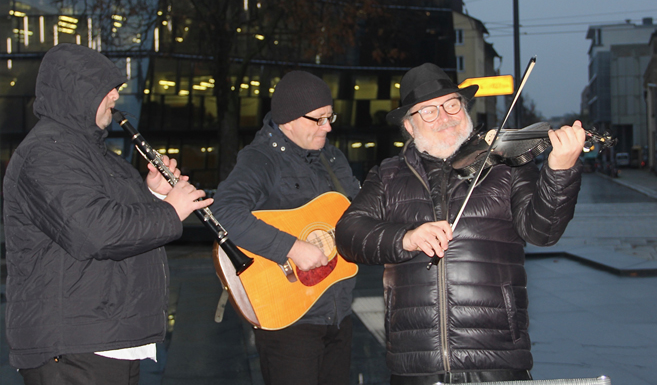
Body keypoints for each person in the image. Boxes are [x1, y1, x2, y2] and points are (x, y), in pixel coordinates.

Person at [335, 63, 586, 384]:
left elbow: (543, 231)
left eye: (452, 104)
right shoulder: (387, 175)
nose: (444, 116)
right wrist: (405, 238)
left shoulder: (504, 164)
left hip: (496, 356)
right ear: (409, 126)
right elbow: (348, 235)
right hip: (416, 360)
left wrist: (560, 172)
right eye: (428, 111)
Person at [3, 43, 212, 385]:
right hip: (72, 347)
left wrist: (155, 193)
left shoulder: (94, 155)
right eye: (107, 87)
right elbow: (93, 232)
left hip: (104, 339)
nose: (116, 96)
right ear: (77, 91)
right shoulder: (47, 154)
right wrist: (171, 211)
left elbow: (118, 220)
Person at [211, 70, 361, 385]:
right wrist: (292, 247)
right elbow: (224, 212)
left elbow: (357, 212)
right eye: (319, 119)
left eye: (330, 116)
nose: (328, 126)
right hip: (290, 320)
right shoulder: (260, 159)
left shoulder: (332, 158)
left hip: (338, 313)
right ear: (289, 119)